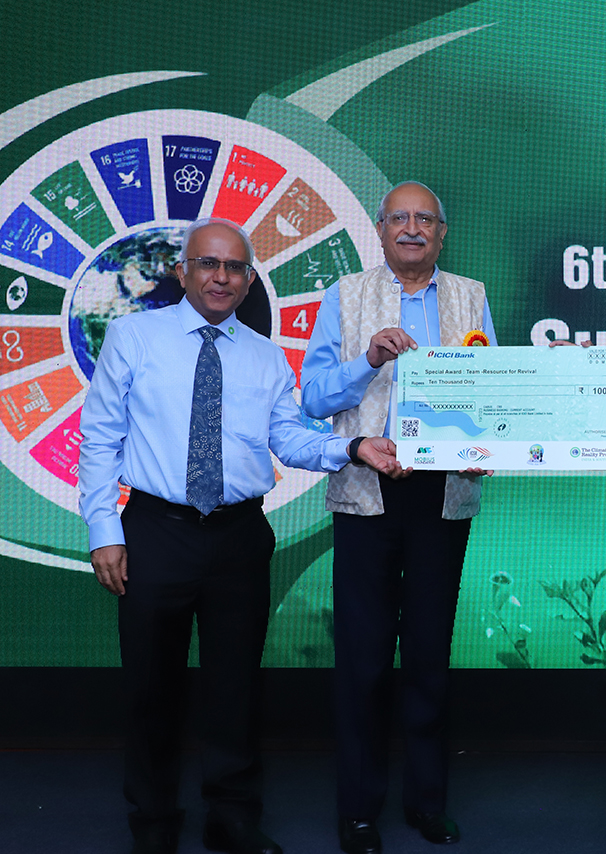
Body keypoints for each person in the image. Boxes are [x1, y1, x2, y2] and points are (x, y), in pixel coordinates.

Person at [78, 218, 404, 854]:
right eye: (208, 263)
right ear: (183, 271)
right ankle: (153, 820)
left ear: (249, 280)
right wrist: (103, 530)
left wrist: (353, 447)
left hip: (239, 538)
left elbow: (290, 439)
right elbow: (99, 438)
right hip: (155, 532)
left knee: (235, 686)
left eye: (234, 267)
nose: (221, 277)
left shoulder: (264, 355)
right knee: (151, 687)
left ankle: (231, 814)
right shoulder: (132, 336)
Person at [300, 181, 496, 854]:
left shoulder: (470, 296)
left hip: (443, 496)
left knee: (429, 657)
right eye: (399, 219)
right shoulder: (345, 296)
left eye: (425, 220)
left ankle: (426, 803)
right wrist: (369, 360)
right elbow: (314, 398)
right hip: (367, 494)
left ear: (442, 233)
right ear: (381, 231)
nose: (412, 228)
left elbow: (491, 391)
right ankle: (358, 811)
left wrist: (491, 444)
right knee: (362, 659)